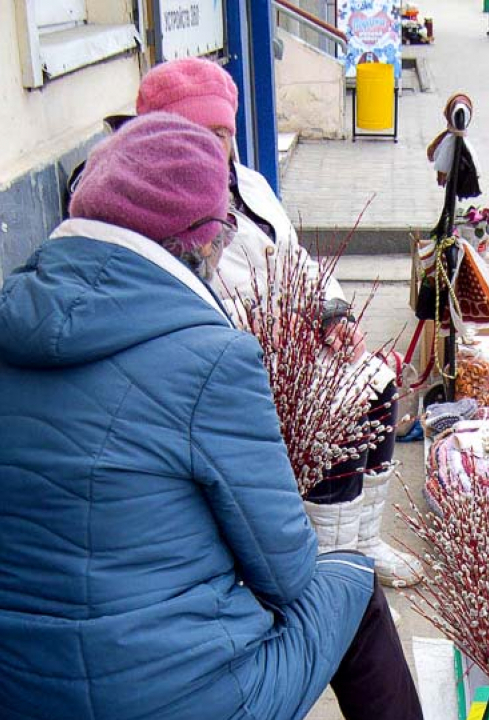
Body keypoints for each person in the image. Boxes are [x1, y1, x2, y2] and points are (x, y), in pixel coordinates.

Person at [0, 114, 433, 720]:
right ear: (202, 241)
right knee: (351, 581)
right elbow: (290, 573)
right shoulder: (210, 359)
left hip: (18, 704)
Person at [133, 58, 422, 589]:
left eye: (222, 133)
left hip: (294, 347)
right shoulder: (168, 217)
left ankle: (361, 542)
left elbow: (298, 262)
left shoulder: (251, 185)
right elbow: (192, 318)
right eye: (198, 134)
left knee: (377, 386)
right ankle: (331, 569)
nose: (214, 148)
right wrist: (271, 338)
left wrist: (331, 311)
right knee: (332, 413)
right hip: (240, 369)